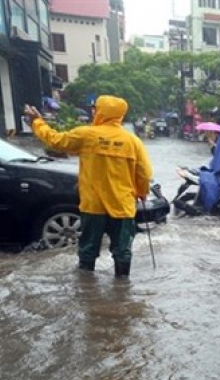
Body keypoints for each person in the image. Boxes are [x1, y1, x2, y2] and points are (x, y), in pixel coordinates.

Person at [24, 96, 153, 278]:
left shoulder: (85, 135)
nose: (93, 111)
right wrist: (142, 192)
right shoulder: (133, 142)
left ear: (101, 112)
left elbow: (55, 141)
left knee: (88, 249)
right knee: (122, 251)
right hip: (122, 207)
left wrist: (37, 122)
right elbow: (144, 173)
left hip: (94, 207)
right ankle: (123, 290)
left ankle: (86, 290)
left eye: (95, 108)